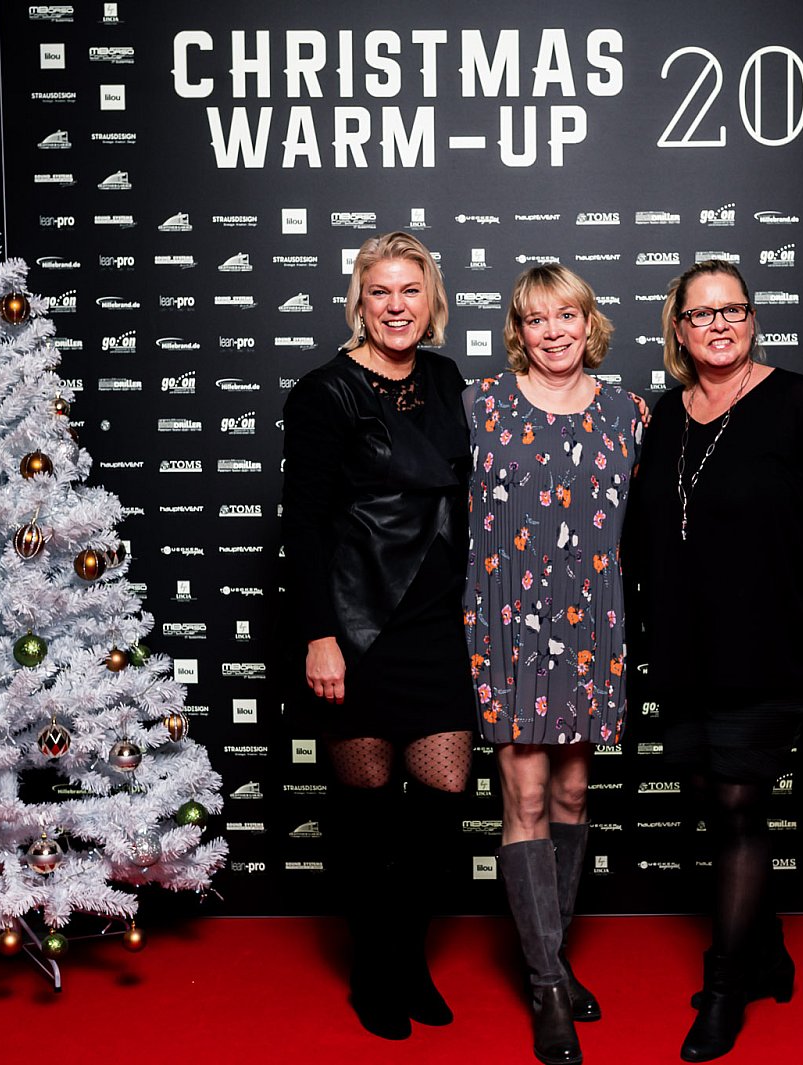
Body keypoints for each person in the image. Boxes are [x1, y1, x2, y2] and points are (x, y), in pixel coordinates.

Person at [627, 260, 803, 1062]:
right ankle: (766, 950)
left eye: (732, 309)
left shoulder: (799, 402)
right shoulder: (666, 413)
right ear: (679, 329)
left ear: (753, 318)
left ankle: (726, 985)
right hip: (683, 644)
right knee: (710, 795)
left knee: (738, 801)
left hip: (769, 640)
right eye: (701, 314)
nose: (719, 325)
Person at [280, 231, 476, 1042]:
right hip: (357, 626)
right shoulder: (325, 392)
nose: (397, 306)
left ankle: (408, 954)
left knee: (441, 802)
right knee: (365, 816)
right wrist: (319, 636)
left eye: (410, 290)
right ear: (359, 302)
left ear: (432, 301)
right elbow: (303, 525)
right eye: (381, 292)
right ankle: (372, 967)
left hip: (435, 623)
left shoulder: (444, 378)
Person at [465, 264, 642, 1065]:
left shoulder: (627, 412)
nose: (553, 331)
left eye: (566, 315)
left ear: (588, 321)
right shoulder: (480, 406)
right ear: (519, 331)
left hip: (591, 624)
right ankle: (545, 985)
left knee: (572, 791)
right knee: (526, 795)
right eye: (536, 319)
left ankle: (555, 957)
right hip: (506, 622)